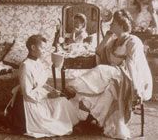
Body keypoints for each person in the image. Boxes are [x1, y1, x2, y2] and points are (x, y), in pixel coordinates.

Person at [66, 9, 153, 139]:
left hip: (130, 77)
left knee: (102, 70)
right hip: (115, 78)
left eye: (113, 23)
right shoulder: (113, 41)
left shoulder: (132, 41)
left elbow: (132, 65)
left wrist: (136, 87)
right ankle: (91, 119)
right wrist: (107, 37)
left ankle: (74, 86)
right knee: (104, 93)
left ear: (121, 25)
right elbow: (99, 51)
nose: (111, 25)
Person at [4, 34, 88, 138]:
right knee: (54, 117)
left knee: (62, 101)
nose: (44, 51)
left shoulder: (38, 62)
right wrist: (47, 96)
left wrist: (50, 92)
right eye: (42, 48)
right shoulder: (25, 66)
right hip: (28, 101)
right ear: (33, 47)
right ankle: (65, 123)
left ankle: (73, 121)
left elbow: (41, 82)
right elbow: (27, 94)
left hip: (38, 95)